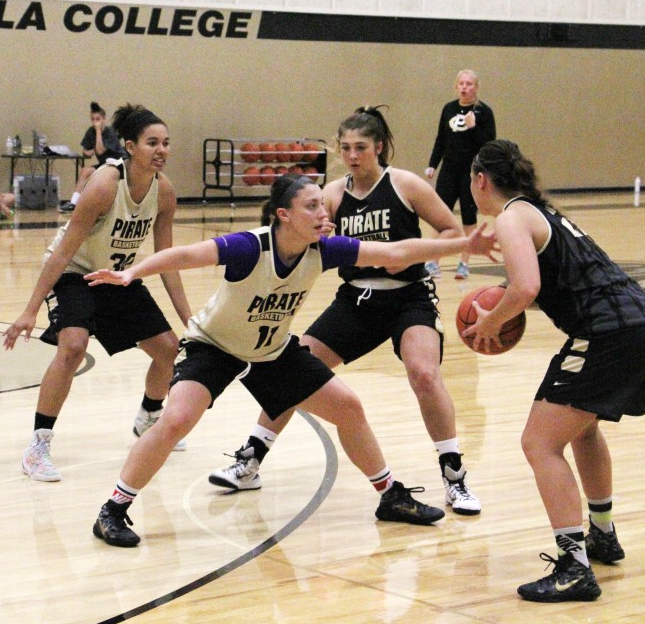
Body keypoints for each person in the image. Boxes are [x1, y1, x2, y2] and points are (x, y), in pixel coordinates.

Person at [85, 173, 499, 547]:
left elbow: (394, 253)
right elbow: (187, 255)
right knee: (175, 419)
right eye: (312, 207)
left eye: (323, 204)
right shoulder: (250, 247)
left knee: (350, 409)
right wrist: (132, 273)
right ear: (284, 215)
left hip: (271, 351)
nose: (325, 213)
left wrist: (464, 244)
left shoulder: (326, 250)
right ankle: (113, 510)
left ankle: (390, 495)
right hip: (214, 345)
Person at [209, 106, 483, 516]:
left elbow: (451, 231)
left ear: (378, 147)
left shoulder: (405, 185)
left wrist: (426, 261)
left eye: (361, 147)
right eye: (347, 148)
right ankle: (251, 459)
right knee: (294, 370)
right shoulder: (332, 196)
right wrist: (319, 236)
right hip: (355, 300)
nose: (353, 155)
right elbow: (307, 239)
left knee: (424, 373)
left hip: (409, 296)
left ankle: (454, 478)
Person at [464, 139, 645, 602]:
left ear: (480, 180)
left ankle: (574, 566)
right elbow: (543, 285)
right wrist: (506, 299)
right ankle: (602, 533)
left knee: (538, 442)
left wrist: (489, 323)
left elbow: (525, 286)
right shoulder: (541, 213)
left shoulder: (513, 215)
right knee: (583, 429)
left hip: (608, 333)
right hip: (643, 324)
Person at [3, 104, 192, 483]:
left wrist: (190, 319)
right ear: (130, 147)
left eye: (166, 143)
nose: (161, 150)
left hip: (116, 277)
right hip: (74, 272)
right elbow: (63, 251)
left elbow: (166, 261)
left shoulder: (164, 191)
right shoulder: (106, 184)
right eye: (152, 142)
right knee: (73, 346)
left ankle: (149, 415)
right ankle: (38, 446)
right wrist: (30, 309)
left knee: (169, 349)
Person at [425, 69, 496, 280]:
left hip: (471, 174)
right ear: (456, 86)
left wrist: (473, 127)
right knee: (439, 217)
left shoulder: (484, 112)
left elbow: (489, 144)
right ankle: (432, 262)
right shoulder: (448, 109)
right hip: (448, 171)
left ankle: (464, 264)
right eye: (461, 83)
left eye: (469, 84)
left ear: (476, 87)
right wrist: (432, 164)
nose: (465, 87)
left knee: (468, 218)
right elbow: (441, 139)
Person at [58, 101, 126, 213]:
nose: (95, 123)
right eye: (93, 119)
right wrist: (87, 152)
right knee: (85, 171)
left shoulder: (110, 132)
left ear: (103, 119)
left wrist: (99, 131)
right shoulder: (90, 131)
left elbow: (100, 150)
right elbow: (85, 150)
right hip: (105, 164)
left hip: (118, 163)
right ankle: (73, 203)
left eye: (98, 119)